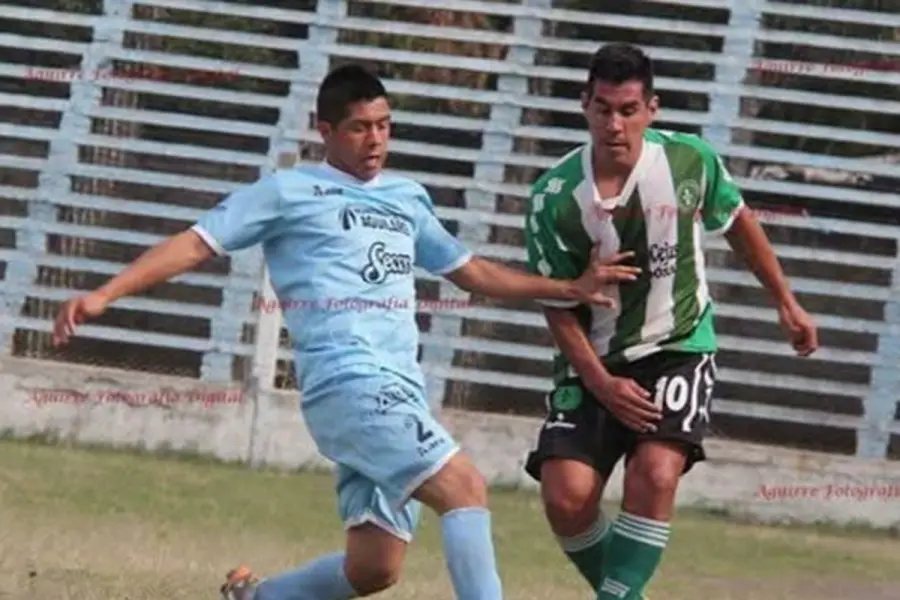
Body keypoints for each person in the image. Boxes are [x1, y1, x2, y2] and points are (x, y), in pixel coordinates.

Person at [50, 64, 637, 600]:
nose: (376, 139)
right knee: (465, 487)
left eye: (384, 125)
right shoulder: (288, 191)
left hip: (399, 389)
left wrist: (569, 287)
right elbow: (196, 243)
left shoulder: (407, 198)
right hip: (347, 382)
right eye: (360, 127)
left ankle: (257, 598)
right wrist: (105, 293)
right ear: (324, 131)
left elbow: (473, 271)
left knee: (375, 567)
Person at [522, 43, 819, 600]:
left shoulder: (689, 161)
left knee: (655, 473)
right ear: (584, 105)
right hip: (595, 362)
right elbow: (558, 306)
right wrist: (602, 384)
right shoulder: (554, 198)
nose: (615, 123)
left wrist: (786, 300)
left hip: (679, 345)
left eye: (628, 109)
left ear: (651, 109)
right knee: (565, 496)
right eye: (604, 108)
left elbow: (737, 222)